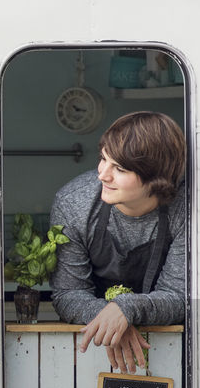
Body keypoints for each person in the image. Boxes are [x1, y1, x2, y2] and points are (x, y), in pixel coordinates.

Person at [49, 111, 187, 373]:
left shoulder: (186, 209)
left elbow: (179, 297)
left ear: (156, 177)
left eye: (120, 168)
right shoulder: (74, 203)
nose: (102, 174)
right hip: (93, 356)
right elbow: (68, 293)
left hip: (174, 355)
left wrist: (126, 310)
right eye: (103, 158)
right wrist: (112, 319)